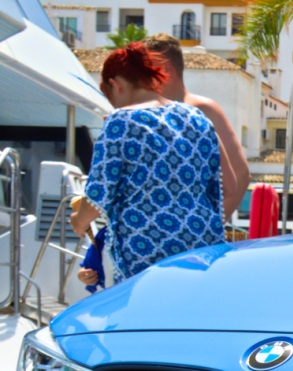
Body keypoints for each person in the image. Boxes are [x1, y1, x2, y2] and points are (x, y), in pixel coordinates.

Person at [70, 43, 225, 283]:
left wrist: (79, 222)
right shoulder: (197, 118)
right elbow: (214, 190)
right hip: (201, 244)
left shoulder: (121, 121)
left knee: (145, 317)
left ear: (115, 85)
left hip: (145, 248)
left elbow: (98, 194)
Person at [143, 34, 248, 219]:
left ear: (165, 69)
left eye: (144, 70)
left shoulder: (204, 109)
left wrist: (213, 226)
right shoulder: (143, 113)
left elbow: (241, 175)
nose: (139, 79)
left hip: (192, 238)